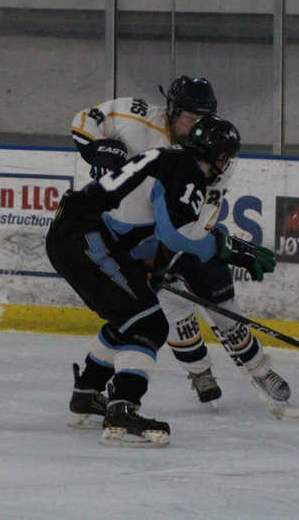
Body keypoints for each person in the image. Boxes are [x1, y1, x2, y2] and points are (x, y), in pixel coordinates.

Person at [48, 115, 276, 447]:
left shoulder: (172, 159)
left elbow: (144, 225)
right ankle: (123, 412)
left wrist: (149, 268)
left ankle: (86, 396)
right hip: (85, 236)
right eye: (225, 156)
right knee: (150, 324)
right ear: (215, 155)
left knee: (130, 317)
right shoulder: (188, 170)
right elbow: (176, 234)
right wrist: (231, 248)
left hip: (81, 233)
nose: (226, 164)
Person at [69, 76, 291, 405]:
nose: (196, 126)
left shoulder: (215, 152)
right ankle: (199, 371)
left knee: (223, 302)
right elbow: (86, 120)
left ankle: (259, 369)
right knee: (169, 310)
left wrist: (176, 250)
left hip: (182, 232)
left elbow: (201, 217)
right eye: (190, 117)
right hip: (128, 233)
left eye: (203, 118)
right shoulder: (137, 116)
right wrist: (99, 149)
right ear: (172, 110)